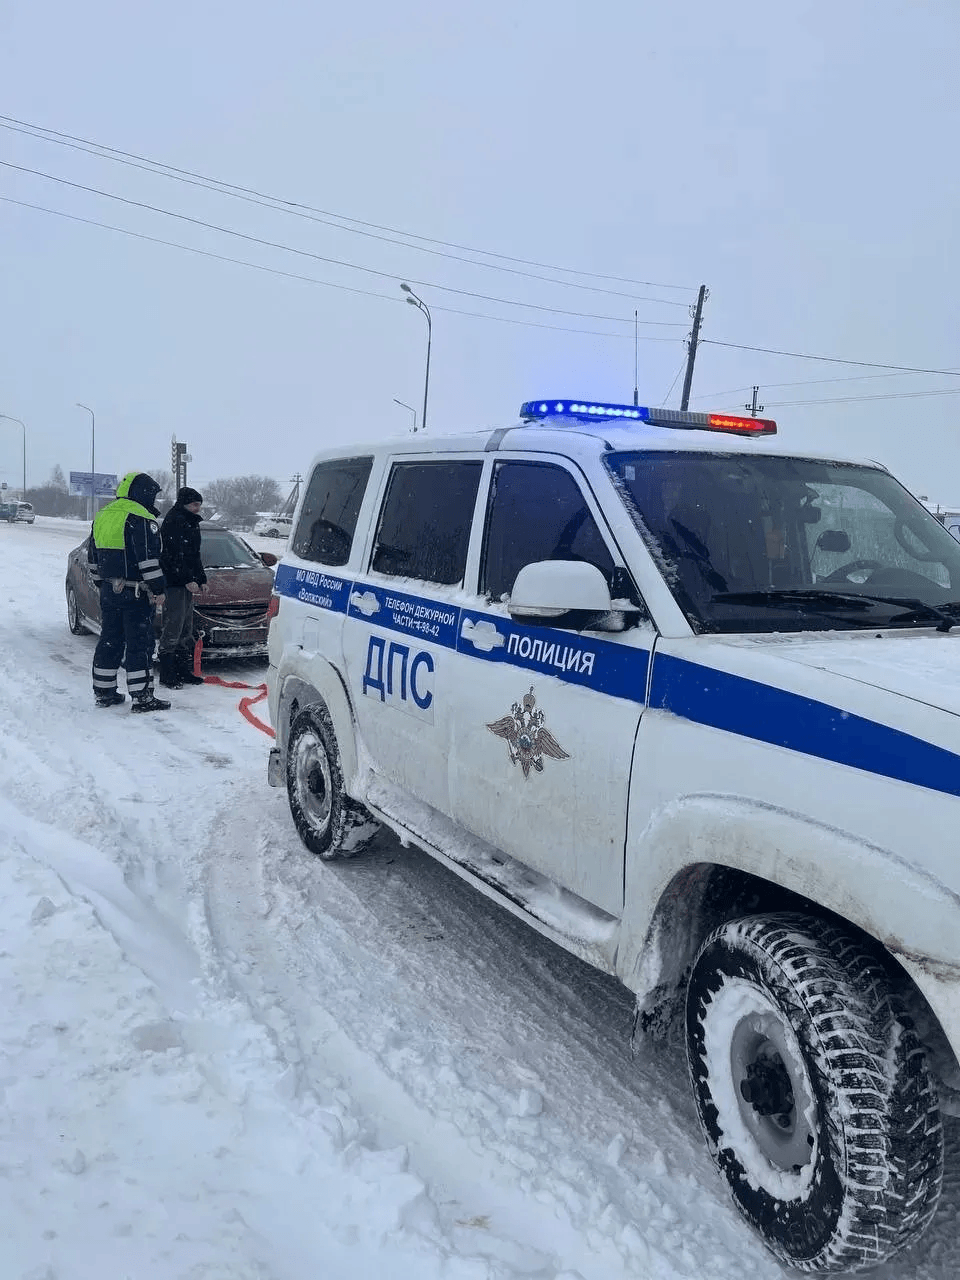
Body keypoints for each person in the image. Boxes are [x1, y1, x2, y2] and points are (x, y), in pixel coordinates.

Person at [88, 472, 171, 713]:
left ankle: (104, 692)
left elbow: (93, 557)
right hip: (136, 593)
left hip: (109, 590)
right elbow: (148, 562)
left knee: (110, 640)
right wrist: (158, 589)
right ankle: (142, 697)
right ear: (143, 493)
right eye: (152, 495)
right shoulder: (141, 518)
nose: (154, 501)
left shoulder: (103, 515)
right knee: (139, 644)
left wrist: (103, 585)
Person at [158, 486, 207, 689]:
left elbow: (194, 555)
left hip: (186, 584)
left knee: (186, 628)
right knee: (173, 626)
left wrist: (201, 578)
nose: (198, 508)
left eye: (199, 505)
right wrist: (186, 578)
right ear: (185, 504)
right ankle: (167, 673)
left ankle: (183, 670)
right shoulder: (174, 521)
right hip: (174, 583)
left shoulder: (191, 522)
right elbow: (172, 555)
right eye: (195, 504)